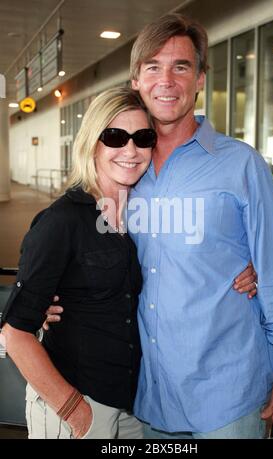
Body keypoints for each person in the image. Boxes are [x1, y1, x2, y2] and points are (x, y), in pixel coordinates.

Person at [45, 13, 273, 439]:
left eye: (181, 66)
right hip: (148, 397)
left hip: (228, 396)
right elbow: (85, 248)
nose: (167, 80)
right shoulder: (123, 173)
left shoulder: (241, 165)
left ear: (200, 79)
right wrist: (57, 297)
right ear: (135, 82)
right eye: (153, 67)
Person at [0, 87, 157, 439]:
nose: (130, 150)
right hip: (77, 404)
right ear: (92, 144)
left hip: (131, 405)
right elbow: (16, 332)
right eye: (115, 137)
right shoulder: (60, 222)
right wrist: (75, 411)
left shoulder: (144, 219)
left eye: (142, 137)